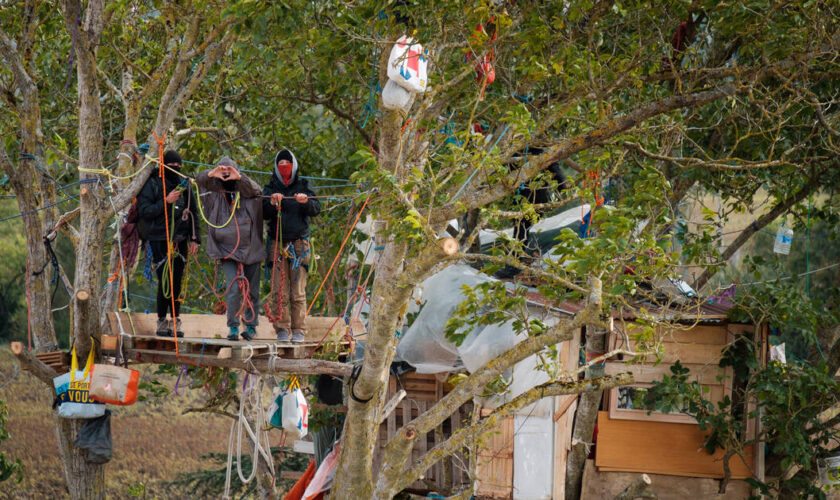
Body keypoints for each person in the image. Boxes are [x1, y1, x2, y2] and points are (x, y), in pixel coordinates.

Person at [195, 156, 265, 341]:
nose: (226, 174)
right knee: (233, 289)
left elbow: (256, 190)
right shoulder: (211, 191)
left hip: (251, 248)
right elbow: (197, 180)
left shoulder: (247, 190)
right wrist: (212, 173)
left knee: (253, 291)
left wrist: (238, 177)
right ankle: (233, 327)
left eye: (229, 170)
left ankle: (251, 326)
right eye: (222, 170)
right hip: (226, 249)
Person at [136, 150, 201, 337]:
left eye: (179, 166)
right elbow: (145, 210)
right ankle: (162, 320)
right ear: (163, 166)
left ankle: (175, 320)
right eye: (172, 166)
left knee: (176, 282)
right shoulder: (152, 183)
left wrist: (195, 238)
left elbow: (193, 212)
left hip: (179, 239)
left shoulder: (184, 184)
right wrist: (166, 201)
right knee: (165, 280)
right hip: (159, 239)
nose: (177, 169)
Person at [262, 149, 321, 343]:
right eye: (281, 163)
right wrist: (271, 202)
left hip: (299, 244)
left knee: (298, 291)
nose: (284, 166)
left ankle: (299, 330)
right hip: (277, 244)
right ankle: (281, 329)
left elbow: (315, 209)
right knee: (280, 291)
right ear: (276, 168)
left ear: (294, 165)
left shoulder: (303, 185)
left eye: (288, 162)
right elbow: (262, 212)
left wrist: (305, 202)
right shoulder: (269, 188)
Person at [494, 147, 570, 279]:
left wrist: (563, 185)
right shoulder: (519, 150)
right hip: (523, 198)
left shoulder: (537, 151)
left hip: (533, 198)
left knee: (521, 230)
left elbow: (554, 167)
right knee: (521, 230)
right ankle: (516, 264)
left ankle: (514, 266)